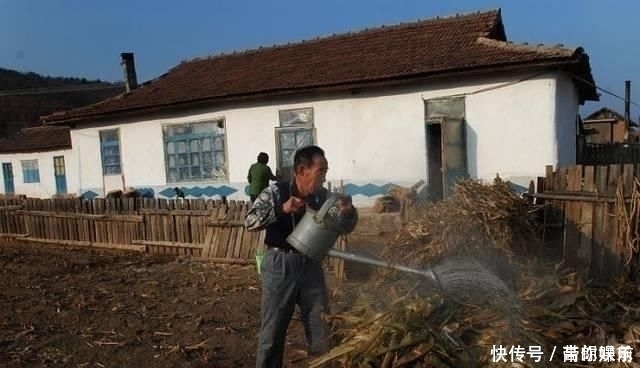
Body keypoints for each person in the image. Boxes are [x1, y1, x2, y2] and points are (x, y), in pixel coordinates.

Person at [245, 145, 358, 368]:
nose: (324, 177)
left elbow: (346, 228)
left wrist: (348, 213)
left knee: (321, 328)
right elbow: (250, 221)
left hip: (311, 266)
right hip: (280, 265)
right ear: (301, 170)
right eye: (321, 171)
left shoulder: (325, 198)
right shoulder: (276, 192)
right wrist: (281, 210)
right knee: (273, 331)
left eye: (326, 171)